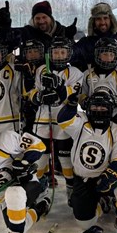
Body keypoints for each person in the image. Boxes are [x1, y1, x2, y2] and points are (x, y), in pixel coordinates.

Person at [57, 92, 117, 233]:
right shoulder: (81, 121)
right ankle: (101, 203)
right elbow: (63, 120)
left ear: (110, 109)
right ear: (88, 108)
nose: (99, 111)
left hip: (106, 177)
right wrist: (71, 106)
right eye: (95, 107)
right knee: (85, 223)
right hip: (83, 180)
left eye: (103, 108)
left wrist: (110, 176)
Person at [27, 36, 83, 205]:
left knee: (65, 159)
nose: (59, 55)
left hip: (64, 122)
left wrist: (59, 87)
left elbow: (74, 95)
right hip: (42, 120)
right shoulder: (42, 69)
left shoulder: (76, 73)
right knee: (41, 158)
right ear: (50, 53)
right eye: (56, 52)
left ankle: (71, 188)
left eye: (62, 52)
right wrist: (39, 97)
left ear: (69, 53)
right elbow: (33, 92)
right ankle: (39, 188)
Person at [72, 2, 117, 72]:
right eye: (98, 19)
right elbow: (68, 56)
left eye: (105, 18)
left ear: (111, 20)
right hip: (91, 82)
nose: (102, 22)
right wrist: (68, 37)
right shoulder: (85, 43)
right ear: (93, 22)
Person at [0, 0, 77, 53]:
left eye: (44, 17)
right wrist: (4, 23)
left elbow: (73, 54)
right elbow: (7, 36)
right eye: (37, 18)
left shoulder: (61, 31)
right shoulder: (27, 32)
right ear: (33, 20)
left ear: (50, 18)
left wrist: (70, 38)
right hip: (32, 75)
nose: (41, 21)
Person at [80, 38, 117, 111]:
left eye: (111, 55)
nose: (108, 58)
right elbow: (81, 95)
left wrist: (115, 100)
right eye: (105, 54)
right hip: (92, 114)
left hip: (115, 116)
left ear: (116, 56)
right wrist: (86, 101)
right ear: (98, 55)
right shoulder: (87, 74)